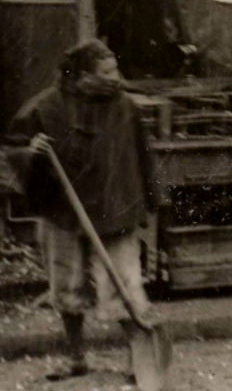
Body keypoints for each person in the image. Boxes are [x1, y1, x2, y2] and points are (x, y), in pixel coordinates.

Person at [1, 39, 160, 383]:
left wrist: (150, 202)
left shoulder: (125, 108)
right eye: (107, 72)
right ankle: (76, 359)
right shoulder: (47, 107)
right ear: (85, 74)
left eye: (116, 69)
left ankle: (140, 361)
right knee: (67, 287)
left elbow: (143, 157)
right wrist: (32, 150)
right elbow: (11, 150)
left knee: (126, 286)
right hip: (64, 213)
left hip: (115, 211)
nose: (116, 77)